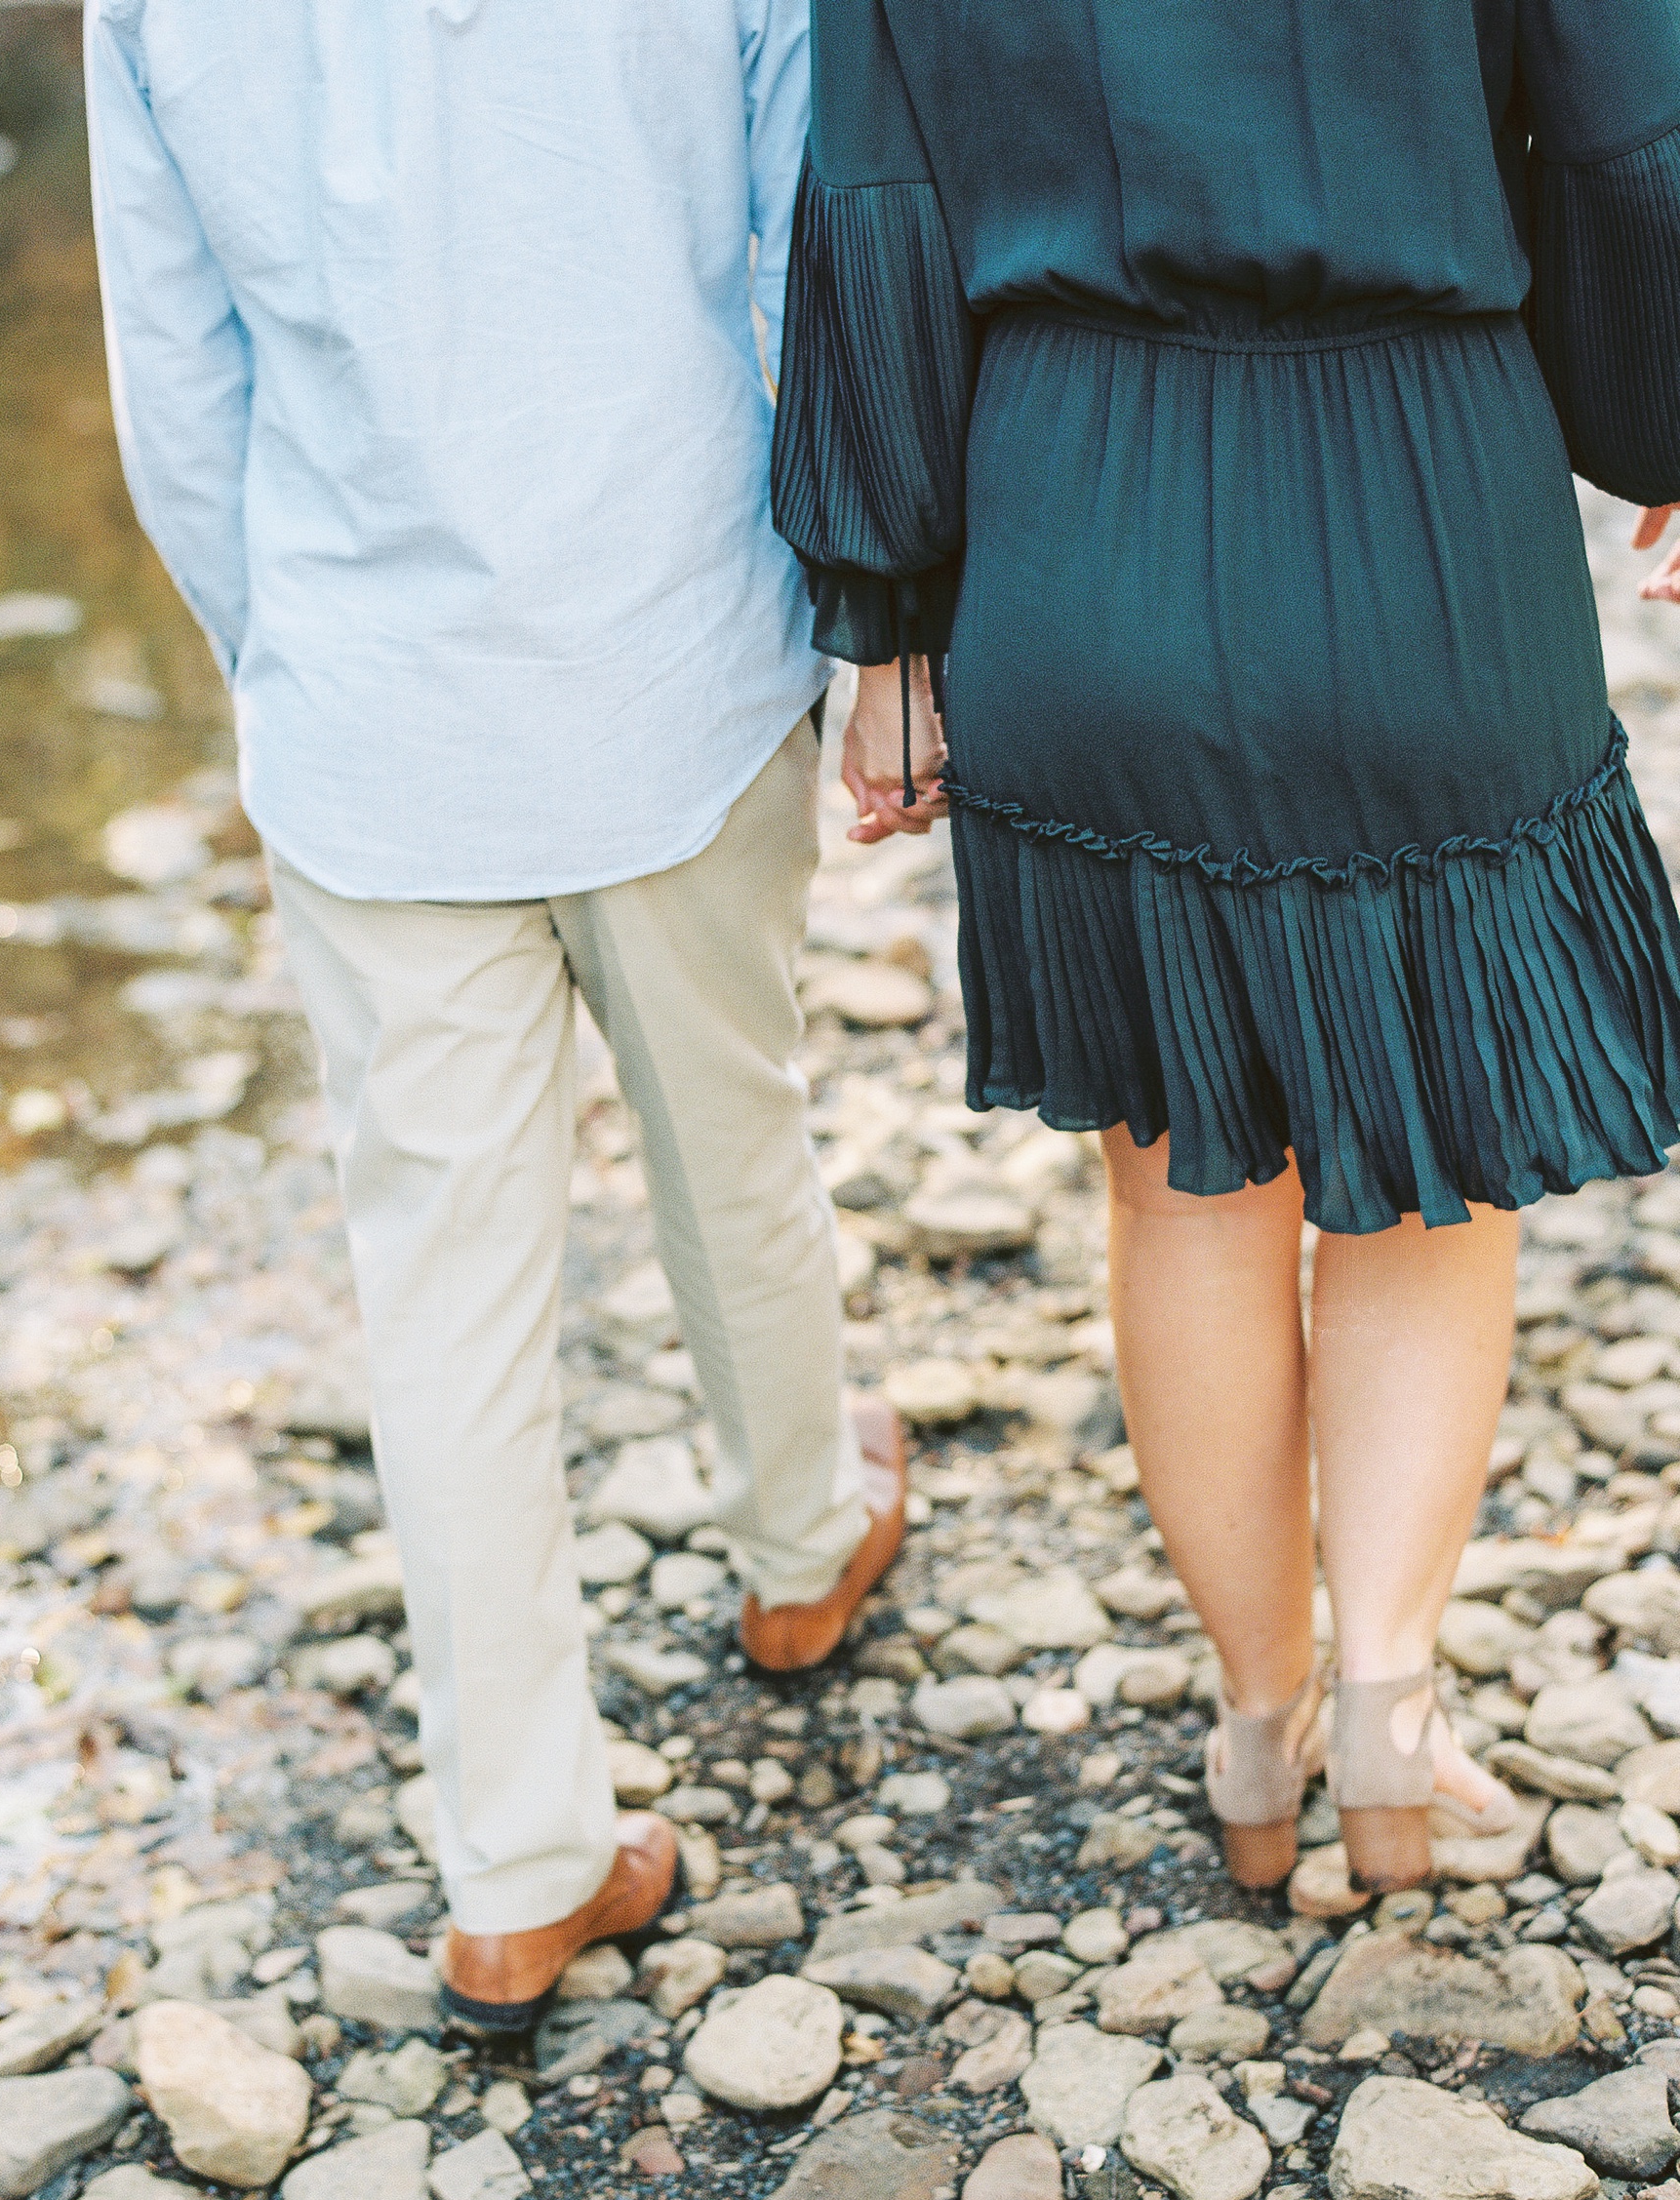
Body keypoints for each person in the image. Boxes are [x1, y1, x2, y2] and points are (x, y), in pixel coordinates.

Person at [774, 0, 1680, 1897]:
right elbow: (1622, 128)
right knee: (1432, 1181)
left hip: (1079, 518)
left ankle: (1258, 1714)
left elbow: (879, 189)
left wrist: (885, 610)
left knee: (1179, 1185)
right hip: (1428, 512)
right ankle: (1387, 1701)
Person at [83, 0, 907, 2030]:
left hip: (380, 713)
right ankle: (804, 1542)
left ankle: (520, 1866)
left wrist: (283, 646)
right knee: (737, 1123)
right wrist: (843, 584)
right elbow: (809, 241)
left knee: (440, 1292)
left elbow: (175, 380)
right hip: (670, 644)